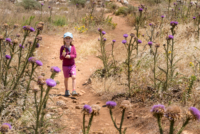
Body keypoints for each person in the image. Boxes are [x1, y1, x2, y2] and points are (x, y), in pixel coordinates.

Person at [60, 32, 78, 96]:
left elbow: (75, 55)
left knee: (74, 77)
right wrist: (63, 55)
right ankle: (66, 90)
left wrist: (70, 56)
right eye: (66, 38)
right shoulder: (62, 48)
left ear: (71, 39)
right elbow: (60, 58)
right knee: (66, 78)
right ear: (64, 39)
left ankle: (74, 90)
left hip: (72, 65)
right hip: (65, 66)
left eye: (69, 38)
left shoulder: (73, 47)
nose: (67, 39)